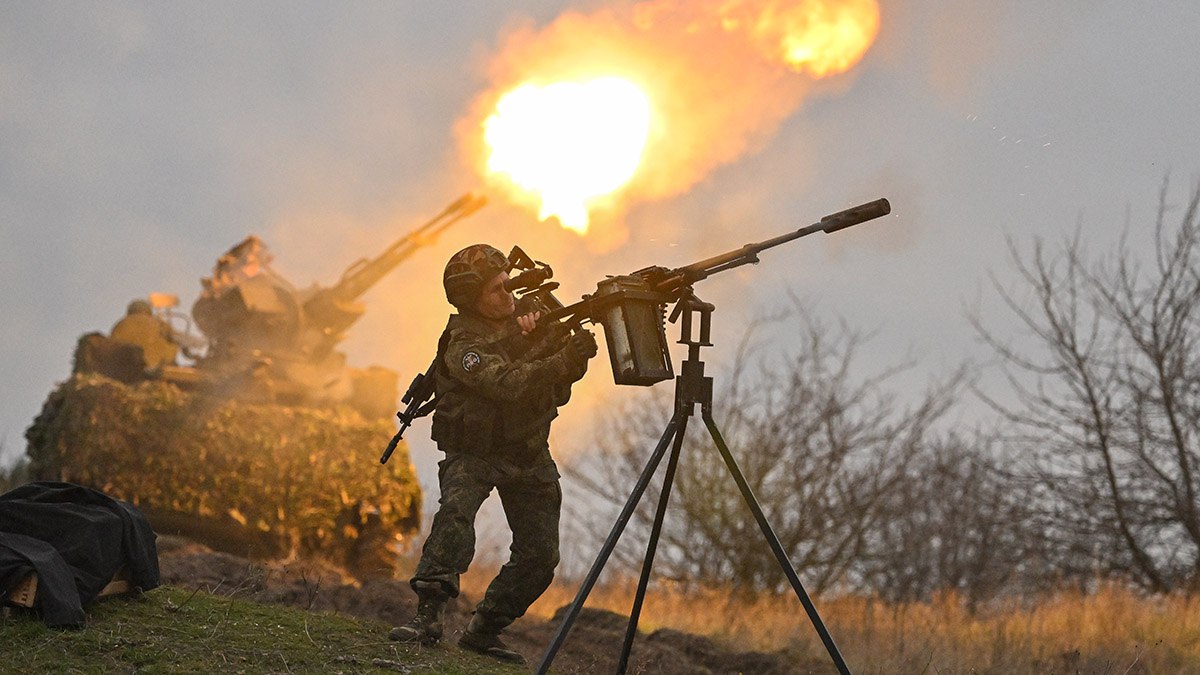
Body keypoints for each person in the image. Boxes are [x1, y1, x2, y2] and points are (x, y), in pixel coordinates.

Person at [390, 244, 598, 664]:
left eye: (509, 284)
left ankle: (483, 632)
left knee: (540, 556)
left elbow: (553, 386)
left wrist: (564, 353)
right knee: (455, 522)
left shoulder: (526, 320)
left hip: (526, 450)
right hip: (476, 452)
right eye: (496, 290)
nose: (509, 295)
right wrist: (560, 360)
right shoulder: (463, 343)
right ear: (473, 301)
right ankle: (427, 619)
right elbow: (507, 383)